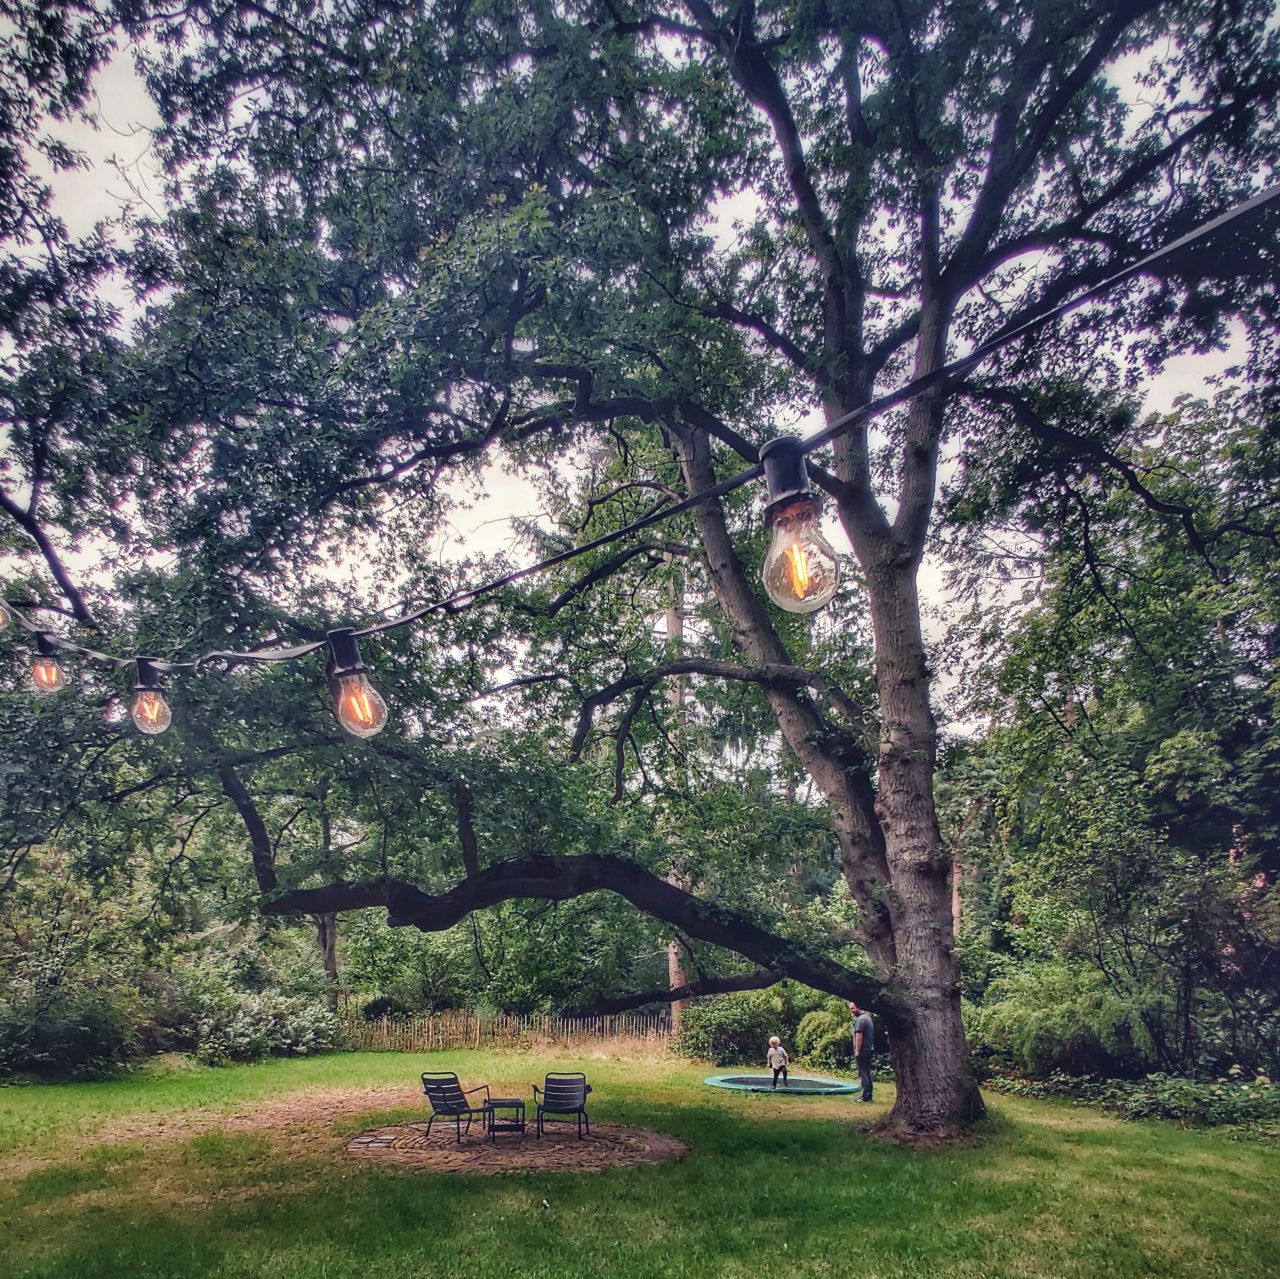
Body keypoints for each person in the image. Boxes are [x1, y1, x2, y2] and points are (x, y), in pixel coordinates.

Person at [849, 1002, 875, 1102]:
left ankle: (864, 1096)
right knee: (867, 1073)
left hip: (862, 1050)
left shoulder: (860, 1020)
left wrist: (857, 1051)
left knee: (862, 1073)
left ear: (859, 1007)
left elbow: (859, 1036)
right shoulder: (867, 1017)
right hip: (869, 1049)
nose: (851, 1011)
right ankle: (869, 1095)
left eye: (853, 1008)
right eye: (850, 1009)